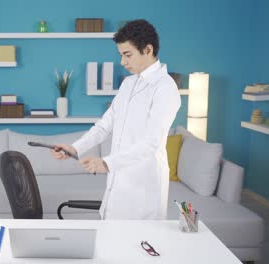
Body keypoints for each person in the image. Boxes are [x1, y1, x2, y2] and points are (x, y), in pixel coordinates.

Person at [51, 19, 181, 220]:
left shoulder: (165, 88)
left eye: (127, 55)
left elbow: (151, 143)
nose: (122, 62)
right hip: (117, 185)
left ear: (147, 50)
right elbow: (104, 125)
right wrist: (75, 148)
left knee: (140, 247)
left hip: (143, 188)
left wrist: (107, 163)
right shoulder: (128, 84)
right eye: (121, 55)